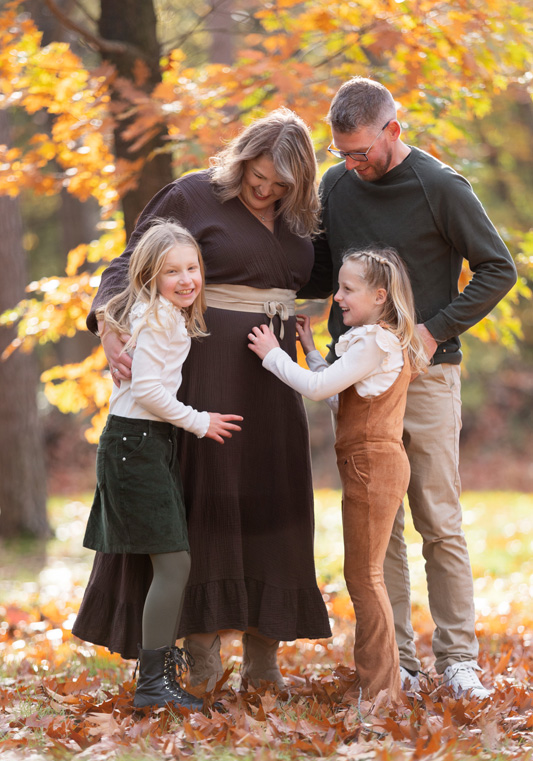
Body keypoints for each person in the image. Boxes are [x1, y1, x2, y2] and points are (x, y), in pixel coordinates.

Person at [72, 108, 332, 691]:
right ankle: (203, 650)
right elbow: (127, 263)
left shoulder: (303, 219)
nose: (263, 190)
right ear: (242, 158)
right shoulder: (194, 195)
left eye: (278, 184)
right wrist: (110, 327)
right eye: (256, 176)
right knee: (209, 503)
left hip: (276, 372)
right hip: (209, 371)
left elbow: (316, 278)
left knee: (277, 501)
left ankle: (266, 655)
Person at [300, 77, 517, 700]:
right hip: (360, 375)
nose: (351, 163)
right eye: (342, 152)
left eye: (361, 150)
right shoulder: (337, 185)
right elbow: (322, 270)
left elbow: (498, 267)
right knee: (378, 520)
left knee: (437, 518)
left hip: (426, 373)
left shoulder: (441, 186)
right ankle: (399, 663)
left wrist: (430, 330)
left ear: (393, 130)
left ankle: (458, 659)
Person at [249, 248, 428, 701]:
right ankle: (383, 683)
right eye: (339, 287)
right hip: (369, 464)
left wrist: (274, 354)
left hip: (373, 465)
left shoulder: (375, 342)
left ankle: (381, 690)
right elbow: (339, 400)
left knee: (365, 577)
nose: (338, 296)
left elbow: (316, 391)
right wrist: (310, 350)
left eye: (348, 289)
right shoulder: (372, 341)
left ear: (380, 295)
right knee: (365, 575)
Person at [80, 220, 242, 710]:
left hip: (145, 443)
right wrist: (199, 421)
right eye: (173, 271)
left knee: (173, 562)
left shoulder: (165, 314)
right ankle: (153, 682)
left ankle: (157, 676)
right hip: (136, 445)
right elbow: (148, 390)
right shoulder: (159, 318)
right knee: (174, 563)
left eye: (193, 267)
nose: (187, 279)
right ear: (151, 276)